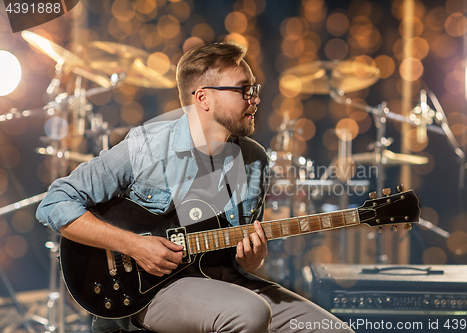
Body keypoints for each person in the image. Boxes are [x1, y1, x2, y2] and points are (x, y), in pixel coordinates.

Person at [36, 43, 354, 333]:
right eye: (243, 90)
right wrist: (134, 246)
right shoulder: (147, 145)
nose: (255, 98)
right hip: (148, 290)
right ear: (203, 97)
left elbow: (234, 255)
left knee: (332, 329)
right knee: (249, 313)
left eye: (254, 88)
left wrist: (250, 259)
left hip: (217, 278)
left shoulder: (254, 159)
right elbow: (55, 203)